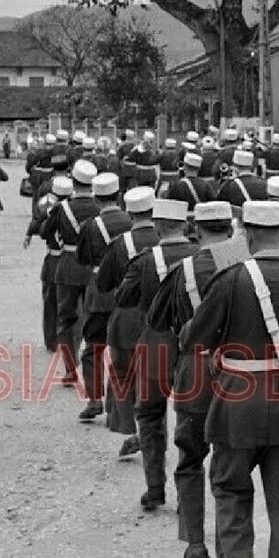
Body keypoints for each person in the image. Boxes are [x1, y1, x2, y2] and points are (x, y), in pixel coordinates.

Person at [181, 199, 279, 558]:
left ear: (247, 234)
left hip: (236, 405)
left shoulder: (230, 278)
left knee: (231, 497)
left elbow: (194, 342)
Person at [147, 199, 238, 558]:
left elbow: (157, 321)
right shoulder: (246, 265)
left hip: (196, 373)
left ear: (195, 230)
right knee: (232, 463)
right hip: (239, 371)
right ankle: (231, 548)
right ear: (230, 230)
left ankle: (195, 543)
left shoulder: (181, 270)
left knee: (190, 459)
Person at [115, 198, 196, 513]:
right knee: (191, 418)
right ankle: (188, 494)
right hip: (193, 346)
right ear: (186, 226)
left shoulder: (145, 260)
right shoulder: (202, 257)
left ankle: (155, 489)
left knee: (149, 416)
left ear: (158, 226)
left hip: (155, 345)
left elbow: (123, 297)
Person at [93, 184, 160, 452]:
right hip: (161, 316)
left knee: (123, 369)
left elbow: (103, 283)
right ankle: (149, 430)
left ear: (130, 215)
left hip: (128, 315)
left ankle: (128, 425)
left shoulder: (120, 244)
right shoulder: (164, 240)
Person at [76, 172, 133, 423]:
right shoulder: (132, 221)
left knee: (93, 348)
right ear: (118, 195)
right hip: (128, 290)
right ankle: (118, 405)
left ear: (97, 199)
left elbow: (83, 259)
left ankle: (94, 398)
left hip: (100, 293)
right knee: (124, 350)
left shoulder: (91, 226)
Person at [41, 159, 100, 387]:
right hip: (93, 268)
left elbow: (46, 232)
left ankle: (69, 368)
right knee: (93, 318)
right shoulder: (99, 208)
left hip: (67, 265)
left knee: (66, 318)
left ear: (73, 182)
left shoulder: (61, 208)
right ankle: (92, 368)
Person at [24, 173, 72, 352]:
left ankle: (51, 341)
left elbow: (41, 229)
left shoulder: (47, 207)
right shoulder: (78, 209)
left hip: (53, 258)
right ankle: (69, 339)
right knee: (71, 303)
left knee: (50, 302)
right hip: (71, 259)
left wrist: (30, 232)